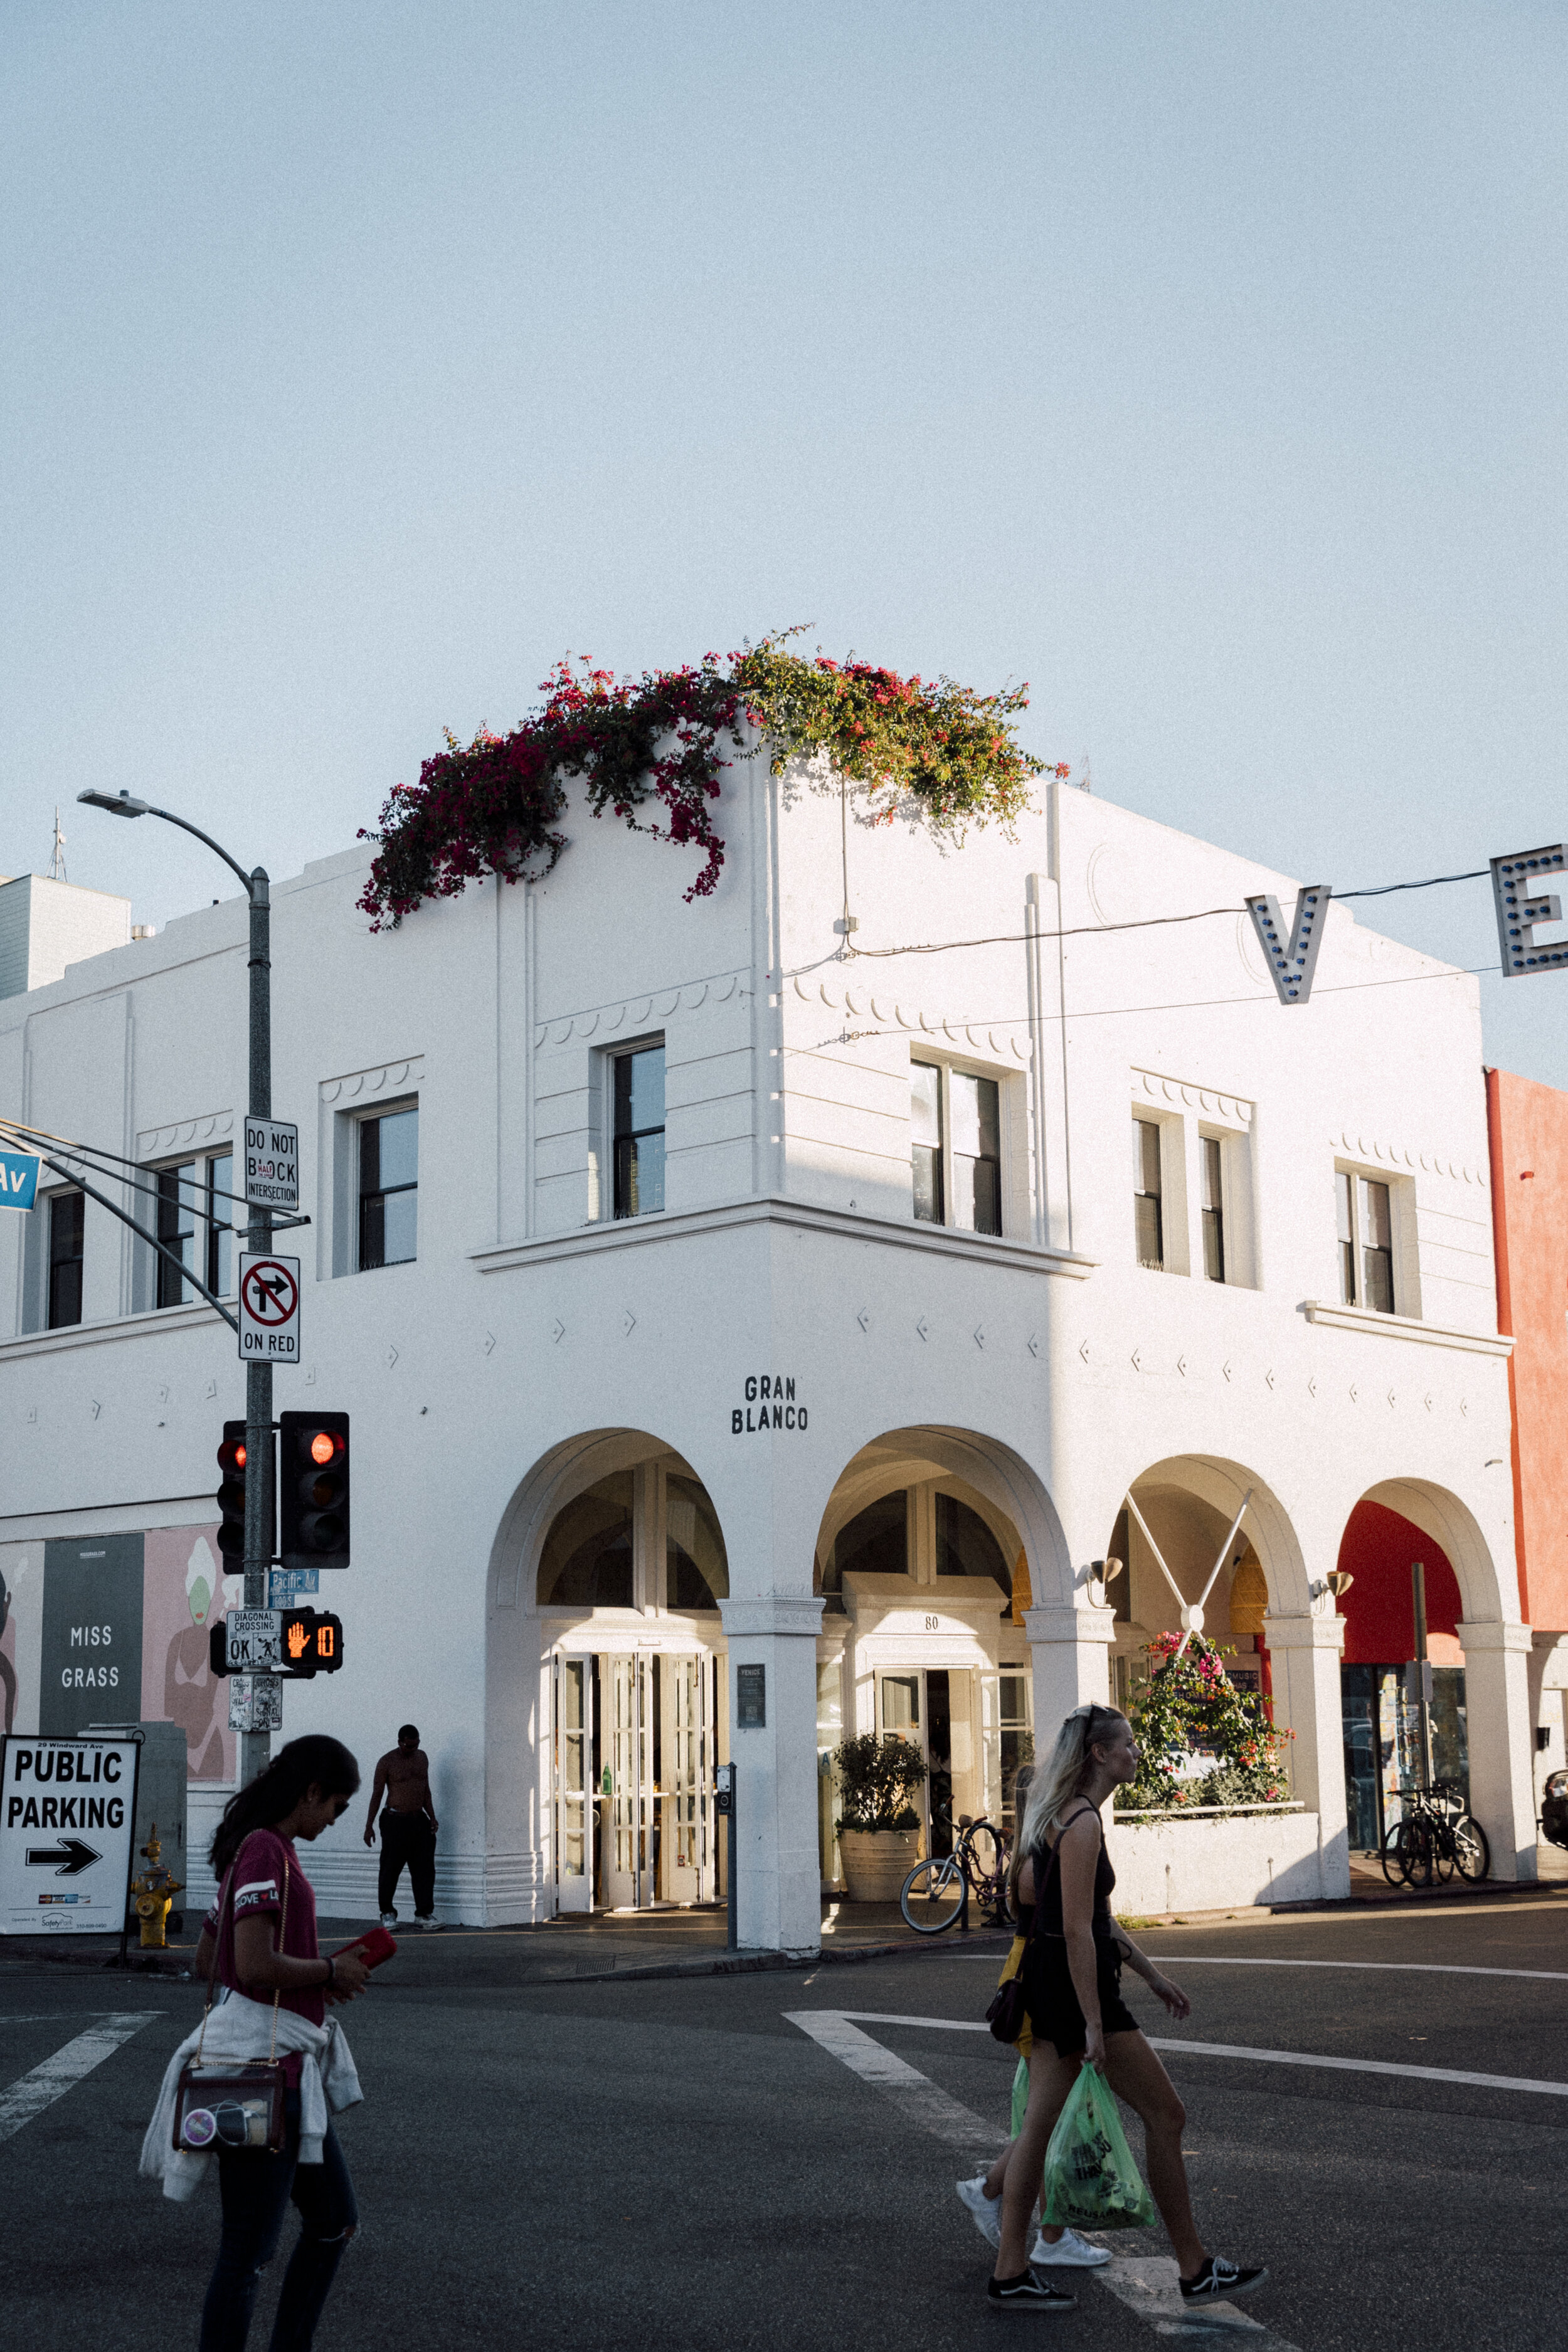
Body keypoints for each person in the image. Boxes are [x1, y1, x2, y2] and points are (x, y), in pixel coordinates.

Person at [987, 1702, 1268, 2311]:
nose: (1135, 1753)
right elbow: (1077, 1932)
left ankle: (1010, 2270)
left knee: (1036, 2130)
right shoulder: (1082, 1822)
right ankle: (1193, 2270)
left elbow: (1092, 1919)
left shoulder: (1060, 1815)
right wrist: (1092, 2018)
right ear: (1098, 1754)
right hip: (1073, 1991)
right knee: (1165, 2115)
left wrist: (1153, 1977)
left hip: (1050, 1985)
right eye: (1128, 1745)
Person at [139, 1733, 373, 2351]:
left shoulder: (253, 1851)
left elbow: (209, 1961)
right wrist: (328, 1972)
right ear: (312, 1791)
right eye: (335, 1807)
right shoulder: (268, 1851)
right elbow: (256, 1963)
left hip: (277, 2071)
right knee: (248, 2251)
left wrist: (311, 1978)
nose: (334, 1820)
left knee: (331, 2223)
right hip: (267, 2076)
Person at [955, 1762, 1109, 2279]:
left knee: (1046, 2116)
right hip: (1044, 1989)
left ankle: (1022, 2214)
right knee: (1046, 2119)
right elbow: (1079, 1925)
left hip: (1031, 1987)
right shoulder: (1042, 1855)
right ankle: (1035, 2228)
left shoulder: (1029, 1850)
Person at [364, 1722, 440, 1929]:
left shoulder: (422, 1758)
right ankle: (387, 1913)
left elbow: (426, 1790)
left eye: (416, 1745)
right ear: (400, 1743)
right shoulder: (387, 1762)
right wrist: (369, 1825)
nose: (412, 1750)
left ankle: (424, 1914)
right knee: (390, 1868)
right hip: (394, 1820)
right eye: (408, 1746)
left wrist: (432, 1817)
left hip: (419, 1820)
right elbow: (377, 1794)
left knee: (424, 1869)